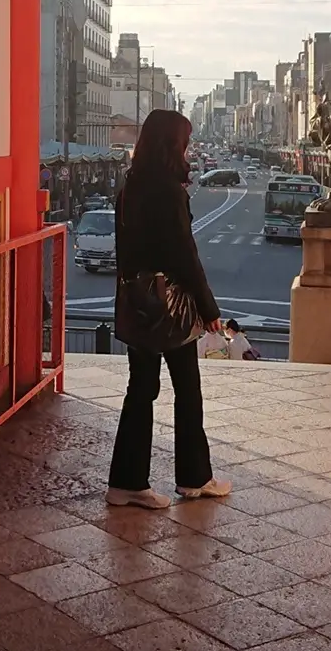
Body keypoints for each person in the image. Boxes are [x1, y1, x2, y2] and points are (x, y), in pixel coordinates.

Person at [107, 109, 232, 510]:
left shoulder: (130, 187)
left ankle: (126, 481)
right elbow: (184, 254)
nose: (189, 148)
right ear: (171, 145)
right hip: (171, 305)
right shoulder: (169, 190)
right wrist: (208, 306)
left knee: (140, 389)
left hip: (138, 302)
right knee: (187, 389)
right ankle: (195, 477)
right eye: (185, 141)